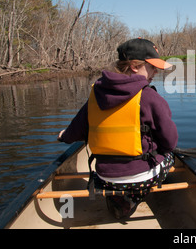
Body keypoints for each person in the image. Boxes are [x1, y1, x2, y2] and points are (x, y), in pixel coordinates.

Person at [58, 38, 178, 219]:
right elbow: (170, 142)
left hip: (104, 177)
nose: (156, 72)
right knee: (170, 156)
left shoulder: (95, 94)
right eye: (152, 66)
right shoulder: (149, 96)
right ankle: (133, 196)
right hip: (140, 178)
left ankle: (119, 195)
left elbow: (76, 131)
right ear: (134, 66)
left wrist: (64, 136)